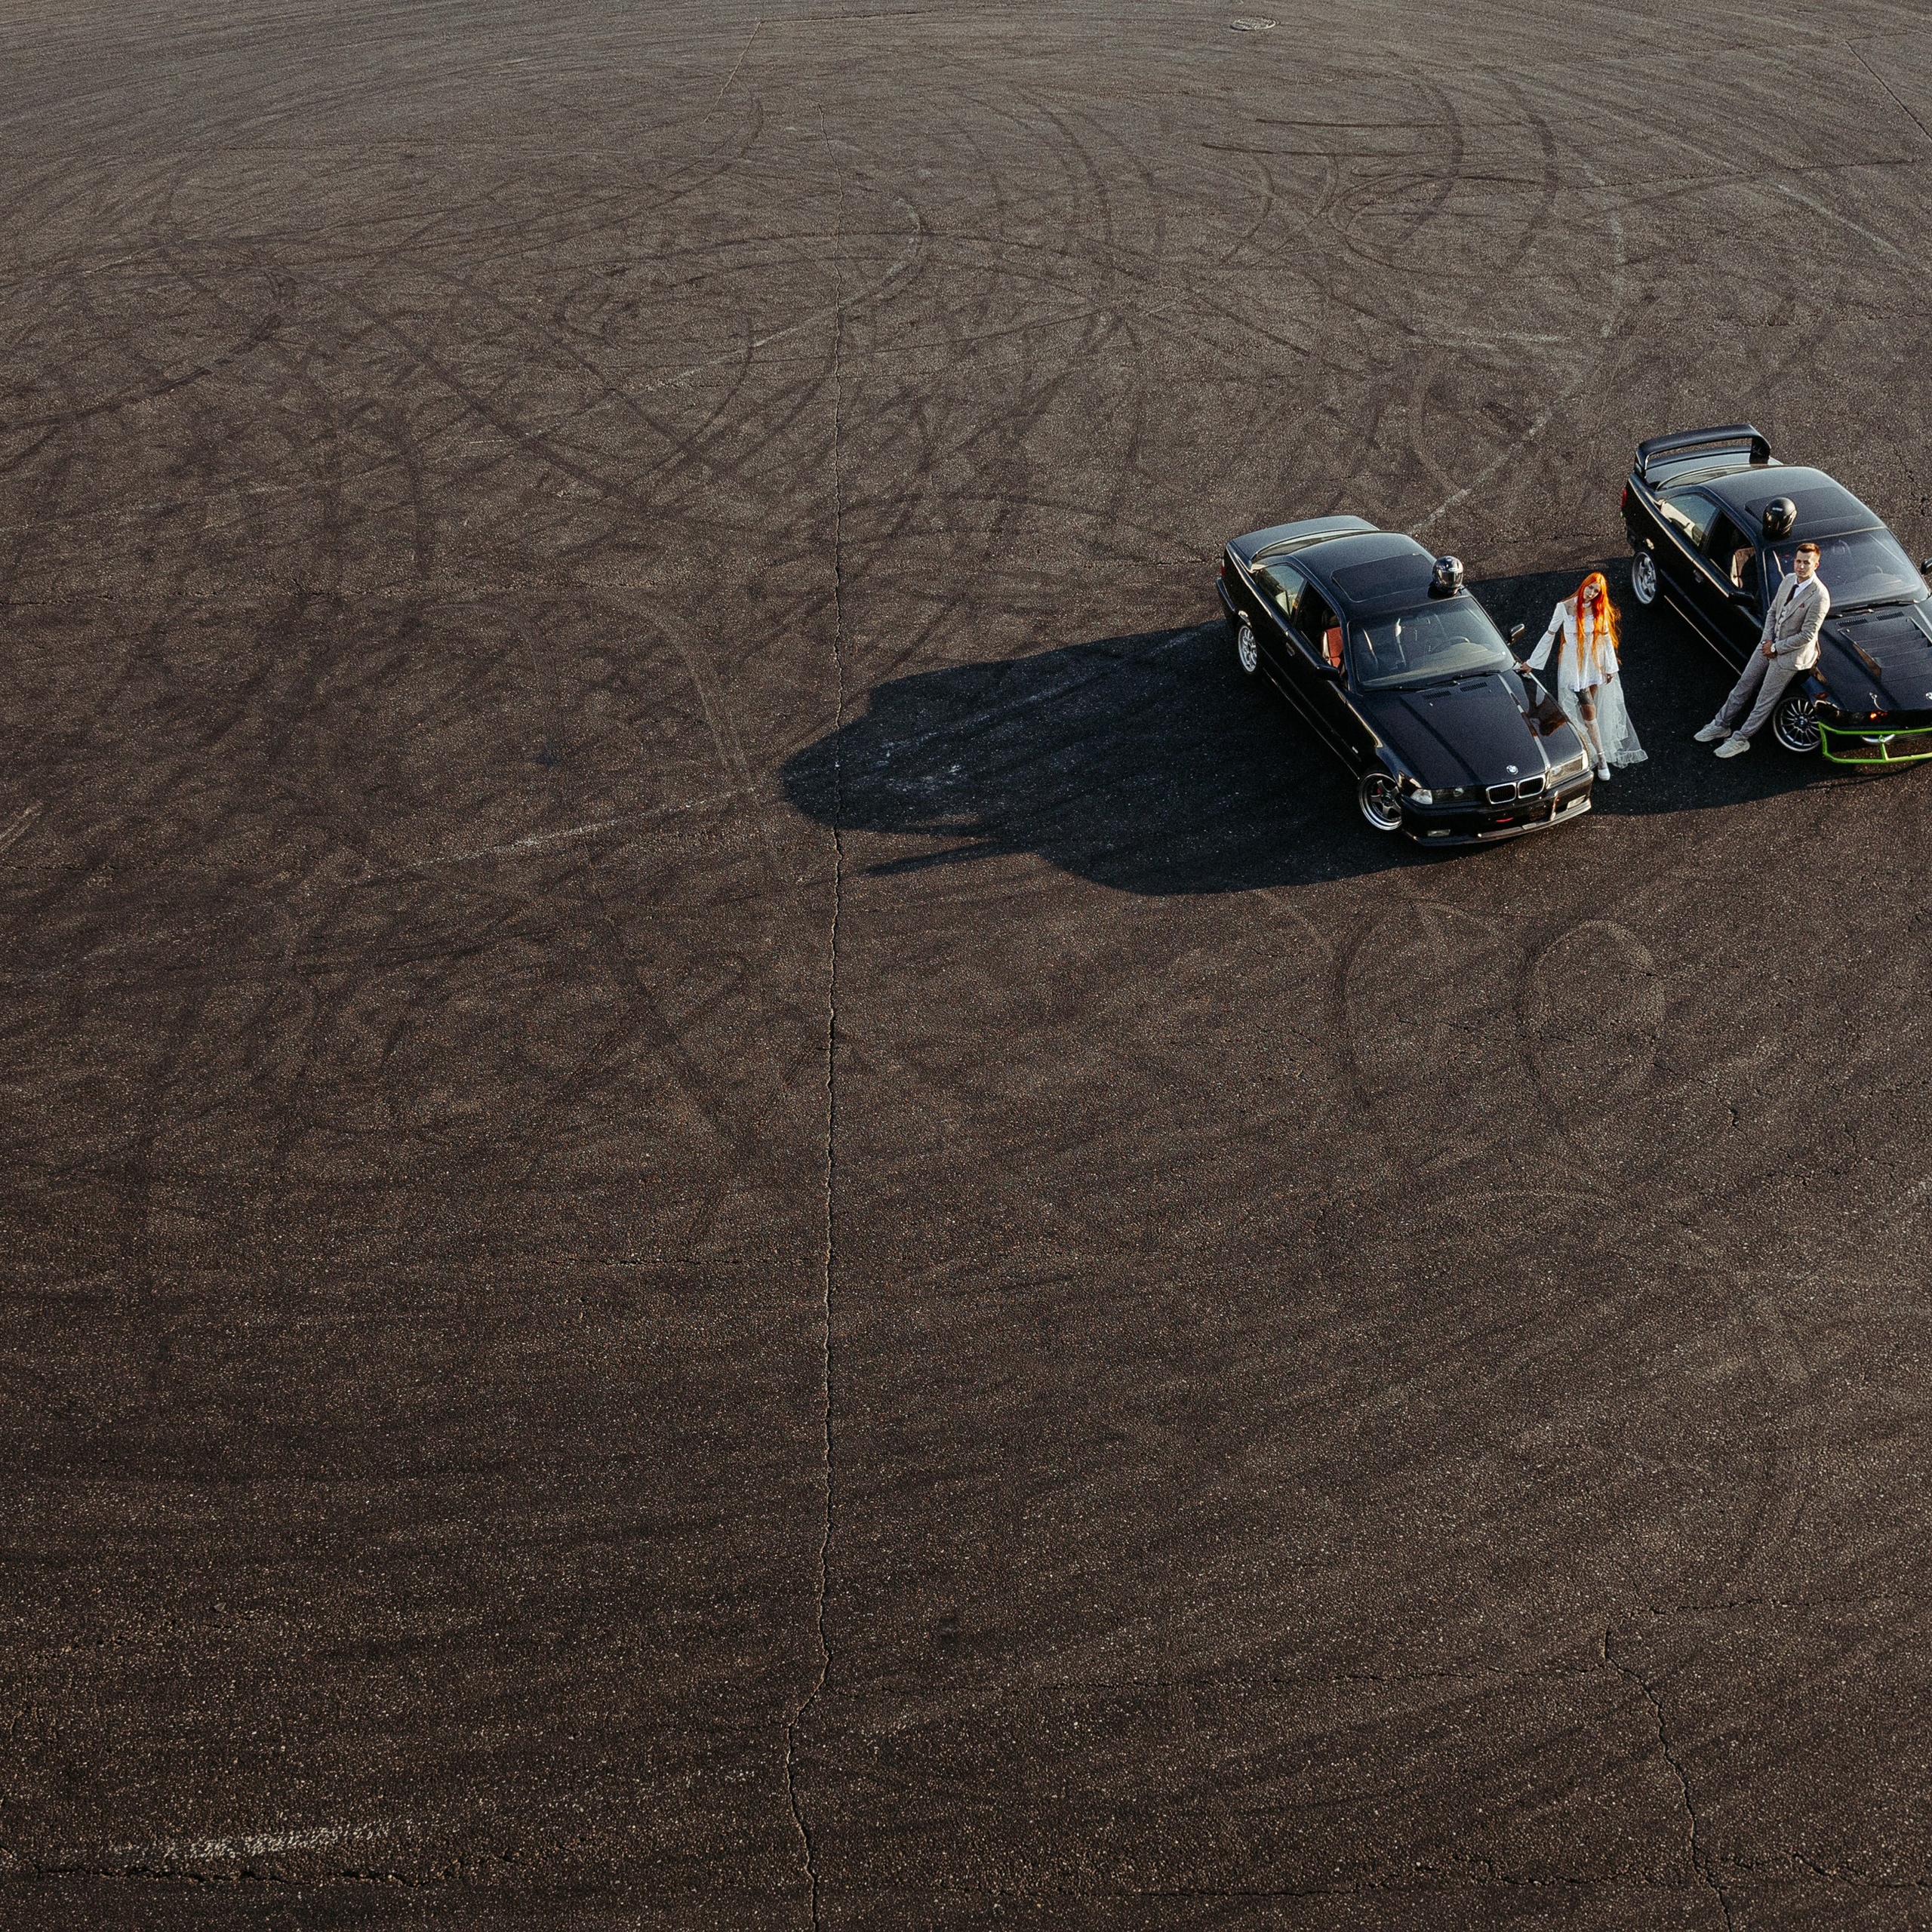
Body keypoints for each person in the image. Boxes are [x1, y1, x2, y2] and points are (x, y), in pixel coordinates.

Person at [1695, 540, 1829, 758]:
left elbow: (1807, 636)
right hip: (1768, 645)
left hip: (1790, 656)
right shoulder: (1788, 581)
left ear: (1816, 565)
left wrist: (1775, 648)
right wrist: (1766, 640)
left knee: (1764, 700)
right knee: (1743, 686)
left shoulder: (1820, 597)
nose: (1801, 566)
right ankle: (1721, 725)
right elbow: (1773, 612)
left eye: (1807, 563)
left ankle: (1741, 739)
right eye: (1798, 561)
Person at [1524, 570, 1644, 780]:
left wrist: (1609, 667)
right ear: (1584, 584)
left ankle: (1587, 746)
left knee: (1590, 709)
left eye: (1596, 592)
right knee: (1588, 709)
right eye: (1590, 588)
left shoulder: (1600, 610)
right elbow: (1550, 634)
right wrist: (1532, 663)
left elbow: (1606, 639)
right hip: (1574, 667)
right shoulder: (1564, 607)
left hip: (1594, 664)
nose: (1591, 593)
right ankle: (1600, 757)